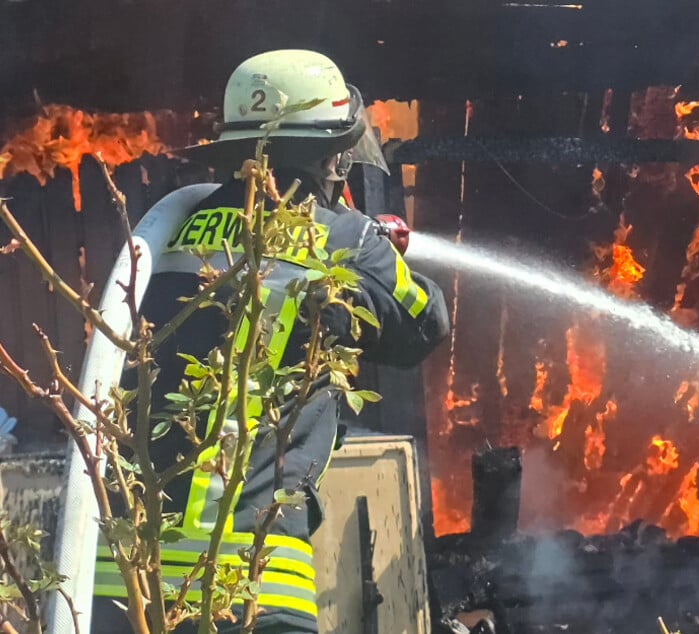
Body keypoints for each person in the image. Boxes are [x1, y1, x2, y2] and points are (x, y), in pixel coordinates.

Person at [91, 49, 450, 633]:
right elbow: (424, 325)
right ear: (329, 153)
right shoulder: (348, 238)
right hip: (247, 582)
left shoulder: (173, 227)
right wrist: (370, 259)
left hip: (120, 575)